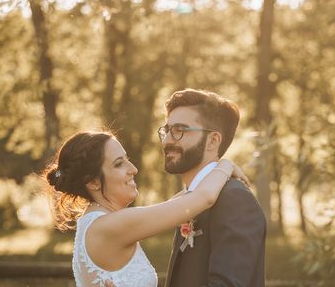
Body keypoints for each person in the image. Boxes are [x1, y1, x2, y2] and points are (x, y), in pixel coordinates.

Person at [44, 130, 248, 287]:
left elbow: (180, 202)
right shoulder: (110, 225)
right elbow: (202, 198)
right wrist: (225, 166)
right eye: (118, 164)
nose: (133, 169)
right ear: (93, 182)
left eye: (127, 159)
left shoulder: (99, 221)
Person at [160, 88, 267, 287]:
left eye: (179, 130)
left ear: (212, 141)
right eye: (166, 130)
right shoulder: (186, 200)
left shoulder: (235, 199)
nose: (167, 140)